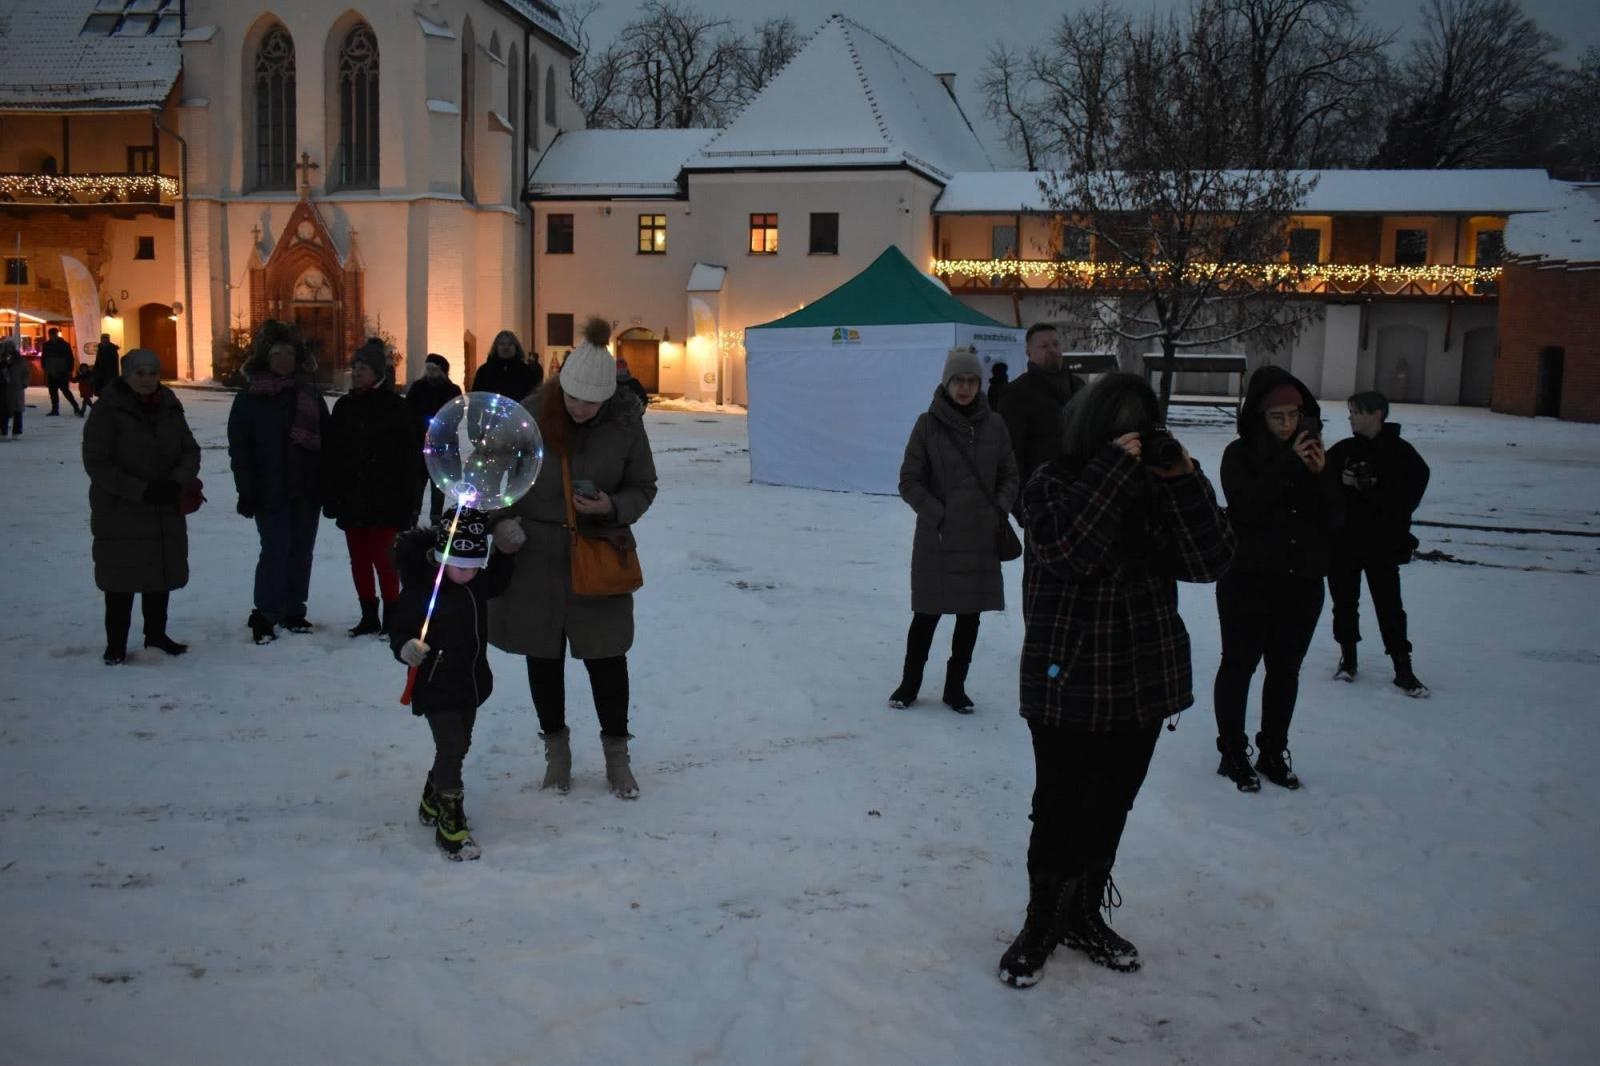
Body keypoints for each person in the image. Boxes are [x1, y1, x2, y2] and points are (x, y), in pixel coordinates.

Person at [998, 374, 1234, 988]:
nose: (1135, 442)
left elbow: (1210, 561)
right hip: (1066, 676)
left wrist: (1183, 480)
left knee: (1110, 806)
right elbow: (1068, 552)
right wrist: (1110, 470)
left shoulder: (1157, 488)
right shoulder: (1050, 483)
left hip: (1142, 679)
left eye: (1143, 429)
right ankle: (1041, 922)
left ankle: (1083, 914)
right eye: (1121, 430)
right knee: (1058, 810)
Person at [489, 317, 657, 800]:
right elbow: (495, 482)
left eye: (592, 402)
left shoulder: (625, 423)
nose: (581, 409)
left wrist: (611, 507)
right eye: (573, 398)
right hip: (534, 558)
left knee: (607, 658)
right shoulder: (526, 417)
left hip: (599, 555)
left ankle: (617, 757)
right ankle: (556, 755)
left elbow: (643, 486)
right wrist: (503, 524)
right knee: (542, 657)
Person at [1212, 367, 1343, 792]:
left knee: (1285, 670)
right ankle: (1232, 751)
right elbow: (1247, 506)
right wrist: (1289, 465)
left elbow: (1336, 520)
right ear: (1258, 417)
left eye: (1294, 416)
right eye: (1278, 417)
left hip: (1301, 581)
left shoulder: (1316, 455)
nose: (1288, 425)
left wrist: (1323, 477)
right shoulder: (1240, 454)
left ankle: (1273, 750)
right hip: (1247, 579)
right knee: (1239, 665)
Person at [888, 345, 1019, 713]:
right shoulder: (927, 425)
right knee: (926, 616)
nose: (965, 388)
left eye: (971, 380)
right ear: (946, 383)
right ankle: (909, 684)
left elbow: (1010, 473)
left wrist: (1000, 507)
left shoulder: (995, 424)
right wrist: (938, 514)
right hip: (939, 539)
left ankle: (955, 688)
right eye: (958, 380)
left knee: (969, 618)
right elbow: (909, 480)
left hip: (980, 537)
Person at [391, 509, 514, 861]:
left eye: (476, 567)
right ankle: (451, 819)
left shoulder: (475, 581)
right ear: (443, 559)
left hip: (470, 682)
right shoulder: (420, 590)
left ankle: (431, 799)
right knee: (452, 745)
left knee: (461, 743)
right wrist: (406, 647)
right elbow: (400, 628)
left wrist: (505, 552)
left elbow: (499, 582)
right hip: (435, 684)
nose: (470, 574)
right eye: (462, 567)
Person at [81, 348, 201, 664]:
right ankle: (116, 643)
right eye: (140, 373)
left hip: (163, 505)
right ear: (126, 375)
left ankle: (156, 635)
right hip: (122, 510)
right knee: (121, 578)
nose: (147, 380)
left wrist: (176, 482)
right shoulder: (107, 411)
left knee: (158, 572)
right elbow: (97, 462)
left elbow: (190, 450)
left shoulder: (170, 407)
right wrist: (139, 490)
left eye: (152, 373)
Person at [228, 320, 330, 645]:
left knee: (301, 552)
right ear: (265, 358)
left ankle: (293, 610)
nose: (284, 359)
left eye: (289, 353)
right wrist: (246, 489)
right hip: (269, 488)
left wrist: (325, 485)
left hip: (305, 489)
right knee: (274, 550)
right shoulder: (250, 398)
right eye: (277, 353)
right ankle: (266, 613)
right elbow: (240, 448)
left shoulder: (310, 395)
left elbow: (327, 443)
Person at [1326, 391, 1431, 697]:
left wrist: (1379, 489)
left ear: (1376, 414)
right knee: (1344, 601)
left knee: (1390, 605)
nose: (1350, 417)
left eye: (1356, 412)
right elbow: (1321, 485)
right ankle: (1348, 657)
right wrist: (1343, 484)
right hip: (1344, 542)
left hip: (1382, 543)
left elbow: (1412, 488)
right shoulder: (1342, 451)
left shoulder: (1400, 453)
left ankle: (1402, 666)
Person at [325, 340, 417, 637]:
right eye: (355, 367)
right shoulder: (344, 407)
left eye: (362, 368)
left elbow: (408, 458)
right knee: (359, 559)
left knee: (385, 559)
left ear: (377, 372)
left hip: (385, 497)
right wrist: (333, 494)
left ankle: (392, 612)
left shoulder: (396, 408)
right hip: (353, 496)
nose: (356, 372)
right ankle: (368, 613)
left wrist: (408, 501)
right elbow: (333, 453)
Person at [996, 323, 1084, 499]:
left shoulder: (1080, 387)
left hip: (1083, 493)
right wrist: (1022, 505)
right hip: (1041, 498)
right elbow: (1010, 455)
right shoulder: (1016, 394)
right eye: (1044, 346)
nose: (1052, 350)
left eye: (1055, 344)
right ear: (1028, 353)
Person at [405, 353, 462, 525]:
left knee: (439, 484)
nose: (430, 373)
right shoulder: (417, 388)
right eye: (428, 369)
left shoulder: (452, 390)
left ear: (442, 371)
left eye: (434, 369)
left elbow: (456, 413)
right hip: (419, 443)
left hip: (443, 445)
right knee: (417, 483)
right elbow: (409, 411)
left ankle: (436, 520)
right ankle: (412, 517)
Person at [470, 330, 540, 403]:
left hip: (518, 412)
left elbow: (533, 398)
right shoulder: (484, 371)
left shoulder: (527, 372)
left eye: (510, 344)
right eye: (502, 344)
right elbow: (476, 398)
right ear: (496, 347)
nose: (506, 347)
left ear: (516, 347)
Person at [41, 327, 81, 416]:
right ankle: (55, 409)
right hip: (52, 371)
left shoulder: (63, 345)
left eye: (53, 335)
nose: (52, 337)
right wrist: (45, 367)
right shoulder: (47, 345)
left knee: (65, 391)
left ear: (56, 335)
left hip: (62, 371)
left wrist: (69, 370)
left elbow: (70, 358)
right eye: (51, 335)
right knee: (53, 392)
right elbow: (44, 357)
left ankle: (75, 406)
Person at [0, 339, 27, 438]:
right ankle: (4, 431)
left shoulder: (19, 359)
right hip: (4, 387)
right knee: (4, 410)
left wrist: (24, 382)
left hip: (16, 386)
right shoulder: (2, 359)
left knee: (17, 409)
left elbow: (25, 372)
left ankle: (16, 431)